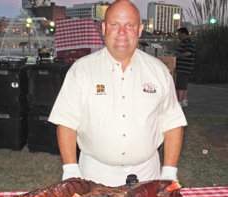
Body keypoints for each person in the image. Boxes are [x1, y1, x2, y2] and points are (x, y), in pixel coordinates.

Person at [49, 0, 187, 186]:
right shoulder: (81, 70)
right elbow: (66, 121)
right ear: (104, 28)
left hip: (147, 176)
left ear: (139, 30)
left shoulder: (159, 71)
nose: (122, 32)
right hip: (94, 176)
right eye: (115, 25)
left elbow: (172, 122)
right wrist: (71, 170)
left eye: (129, 25)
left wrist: (169, 172)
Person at [174, 27, 195, 107]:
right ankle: (184, 100)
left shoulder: (188, 42)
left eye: (179, 34)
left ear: (183, 34)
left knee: (180, 85)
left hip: (184, 67)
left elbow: (188, 53)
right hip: (183, 67)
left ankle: (179, 102)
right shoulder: (184, 42)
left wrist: (177, 55)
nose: (178, 36)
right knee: (183, 84)